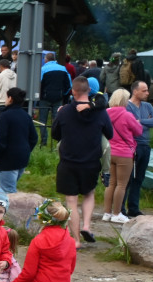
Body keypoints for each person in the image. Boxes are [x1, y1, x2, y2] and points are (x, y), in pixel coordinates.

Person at [52, 76, 113, 246]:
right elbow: (110, 133)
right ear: (89, 91)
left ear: (73, 91)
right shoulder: (99, 112)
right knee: (89, 194)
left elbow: (55, 135)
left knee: (71, 201)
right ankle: (86, 226)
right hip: (91, 162)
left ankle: (76, 240)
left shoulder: (64, 111)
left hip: (68, 162)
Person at [0, 200, 75, 282]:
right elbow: (71, 268)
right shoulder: (70, 240)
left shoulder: (38, 241)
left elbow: (28, 274)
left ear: (42, 218)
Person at [101, 88, 144, 224]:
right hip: (124, 154)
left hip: (109, 152)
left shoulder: (105, 113)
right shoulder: (127, 115)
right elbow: (138, 131)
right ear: (125, 100)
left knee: (111, 183)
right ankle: (117, 213)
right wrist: (137, 123)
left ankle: (106, 213)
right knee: (121, 185)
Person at [0, 87, 38, 193]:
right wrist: (26, 149)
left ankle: (8, 210)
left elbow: (0, 139)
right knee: (10, 186)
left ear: (10, 98)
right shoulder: (26, 116)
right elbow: (34, 137)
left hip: (7, 158)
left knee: (7, 192)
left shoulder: (4, 116)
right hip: (22, 157)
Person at [123, 80, 153, 217]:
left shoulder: (148, 106)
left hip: (145, 145)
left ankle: (133, 207)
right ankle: (120, 208)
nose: (147, 93)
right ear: (135, 91)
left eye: (147, 90)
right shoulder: (127, 106)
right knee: (127, 178)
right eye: (144, 90)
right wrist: (144, 122)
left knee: (139, 178)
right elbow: (129, 124)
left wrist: (141, 121)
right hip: (132, 145)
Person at [38, 53, 72, 145]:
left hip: (44, 98)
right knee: (58, 119)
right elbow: (69, 85)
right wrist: (63, 94)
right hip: (58, 97)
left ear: (46, 59)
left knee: (42, 120)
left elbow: (38, 84)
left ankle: (44, 141)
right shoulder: (63, 69)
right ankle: (58, 141)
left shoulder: (43, 69)